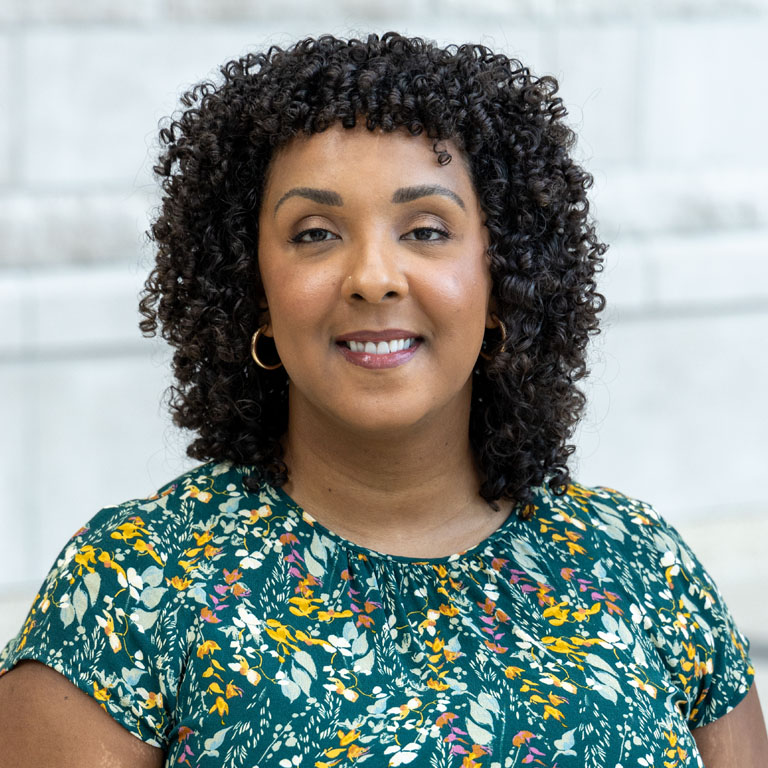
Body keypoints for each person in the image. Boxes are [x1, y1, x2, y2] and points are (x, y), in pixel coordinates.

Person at [0, 32, 765, 768]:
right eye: (314, 234)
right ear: (251, 290)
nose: (374, 276)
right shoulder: (132, 584)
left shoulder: (641, 566)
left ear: (504, 278)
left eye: (427, 230)